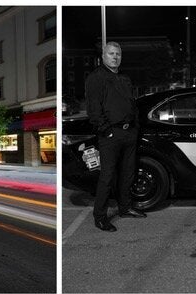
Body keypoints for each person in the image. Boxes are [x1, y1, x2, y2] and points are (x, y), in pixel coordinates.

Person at [85, 41, 146, 232]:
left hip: (129, 133)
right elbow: (93, 109)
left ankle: (125, 208)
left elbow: (132, 104)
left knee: (128, 173)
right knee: (108, 177)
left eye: (118, 54)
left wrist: (134, 127)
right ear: (103, 56)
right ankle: (100, 217)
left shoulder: (124, 78)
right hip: (111, 134)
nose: (115, 57)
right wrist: (106, 130)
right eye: (111, 53)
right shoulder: (96, 78)